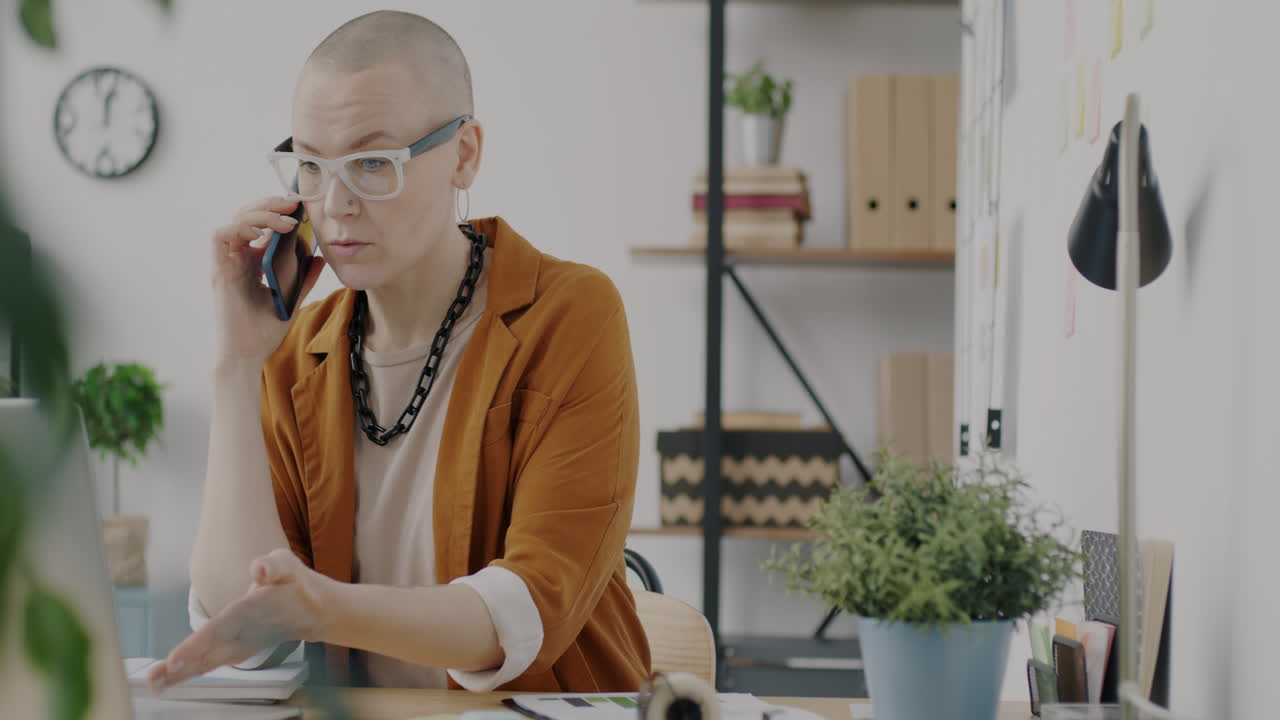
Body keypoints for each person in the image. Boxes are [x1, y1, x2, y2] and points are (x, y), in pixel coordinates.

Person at [147, 10, 649, 693]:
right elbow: (249, 632)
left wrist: (322, 608)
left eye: (373, 163)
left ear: (465, 154)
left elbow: (528, 612)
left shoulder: (568, 315)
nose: (336, 203)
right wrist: (236, 368)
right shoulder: (296, 354)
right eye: (313, 167)